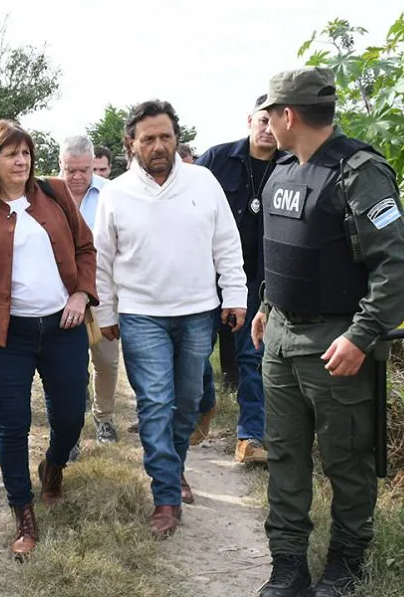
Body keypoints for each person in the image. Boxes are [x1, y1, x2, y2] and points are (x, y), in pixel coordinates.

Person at [251, 67, 404, 597]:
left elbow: (396, 269)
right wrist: (265, 305)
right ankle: (288, 567)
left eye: (270, 114)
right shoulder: (281, 171)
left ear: (288, 115)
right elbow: (283, 254)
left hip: (337, 347)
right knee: (284, 455)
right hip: (279, 341)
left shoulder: (359, 172)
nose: (266, 123)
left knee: (346, 460)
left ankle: (345, 565)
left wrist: (362, 335)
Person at [93, 99, 247, 538]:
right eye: (149, 139)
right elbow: (103, 259)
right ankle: (165, 495)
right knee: (155, 403)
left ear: (176, 138)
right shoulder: (117, 192)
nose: (158, 145)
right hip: (142, 315)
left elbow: (227, 243)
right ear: (131, 143)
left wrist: (234, 295)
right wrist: (105, 311)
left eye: (165, 136)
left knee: (187, 402)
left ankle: (173, 467)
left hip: (198, 312)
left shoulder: (203, 181)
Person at [0, 119, 98, 559]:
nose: (21, 160)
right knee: (12, 425)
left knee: (71, 416)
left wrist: (80, 293)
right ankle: (24, 514)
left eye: (26, 152)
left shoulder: (52, 193)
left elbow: (85, 248)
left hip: (62, 327)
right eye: (10, 153)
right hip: (5, 336)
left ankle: (53, 464)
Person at [191, 94, 279, 463]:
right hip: (209, 278)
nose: (268, 129)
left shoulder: (292, 166)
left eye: (276, 122)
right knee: (196, 353)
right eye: (263, 120)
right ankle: (205, 404)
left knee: (251, 357)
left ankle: (250, 438)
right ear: (249, 120)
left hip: (258, 282)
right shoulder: (216, 160)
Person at [58, 135, 119, 450]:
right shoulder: (48, 195)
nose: (78, 177)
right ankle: (71, 433)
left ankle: (104, 418)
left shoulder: (112, 194)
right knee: (71, 365)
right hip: (61, 295)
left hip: (103, 293)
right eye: (71, 170)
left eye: (84, 170)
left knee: (106, 362)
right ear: (61, 166)